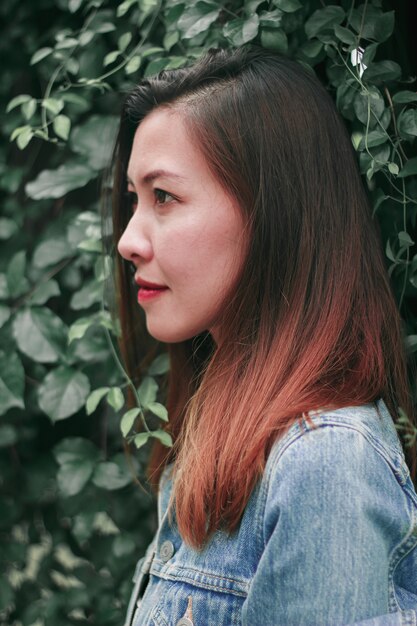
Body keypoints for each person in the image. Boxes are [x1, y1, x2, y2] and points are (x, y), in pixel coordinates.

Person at [112, 46, 417, 626]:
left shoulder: (324, 462)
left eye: (165, 197)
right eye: (135, 200)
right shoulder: (224, 438)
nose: (128, 239)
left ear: (269, 212)